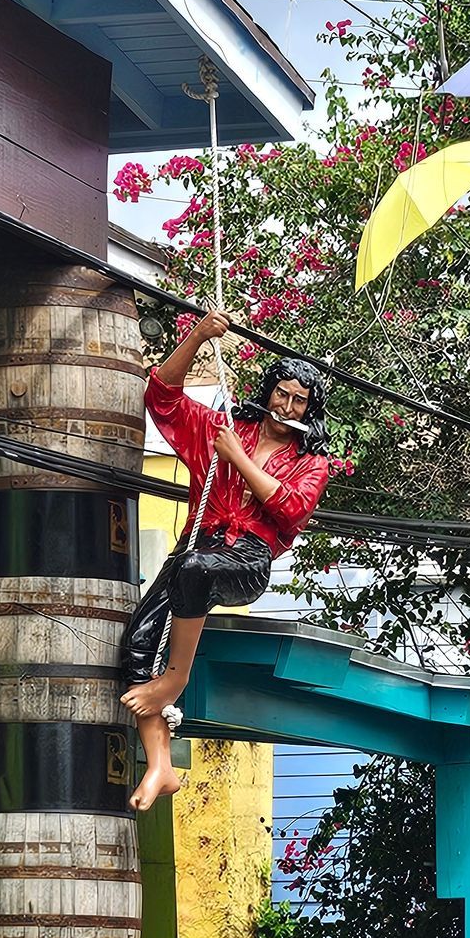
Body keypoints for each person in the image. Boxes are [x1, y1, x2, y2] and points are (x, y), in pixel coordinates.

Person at [121, 308, 337, 808]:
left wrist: (238, 456)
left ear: (309, 411)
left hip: (246, 557)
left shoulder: (311, 462)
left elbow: (289, 508)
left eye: (300, 401)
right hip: (197, 548)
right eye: (282, 393)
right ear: (268, 392)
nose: (288, 405)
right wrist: (198, 335)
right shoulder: (217, 428)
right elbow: (162, 397)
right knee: (135, 645)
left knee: (196, 572)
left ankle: (174, 680)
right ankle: (159, 764)